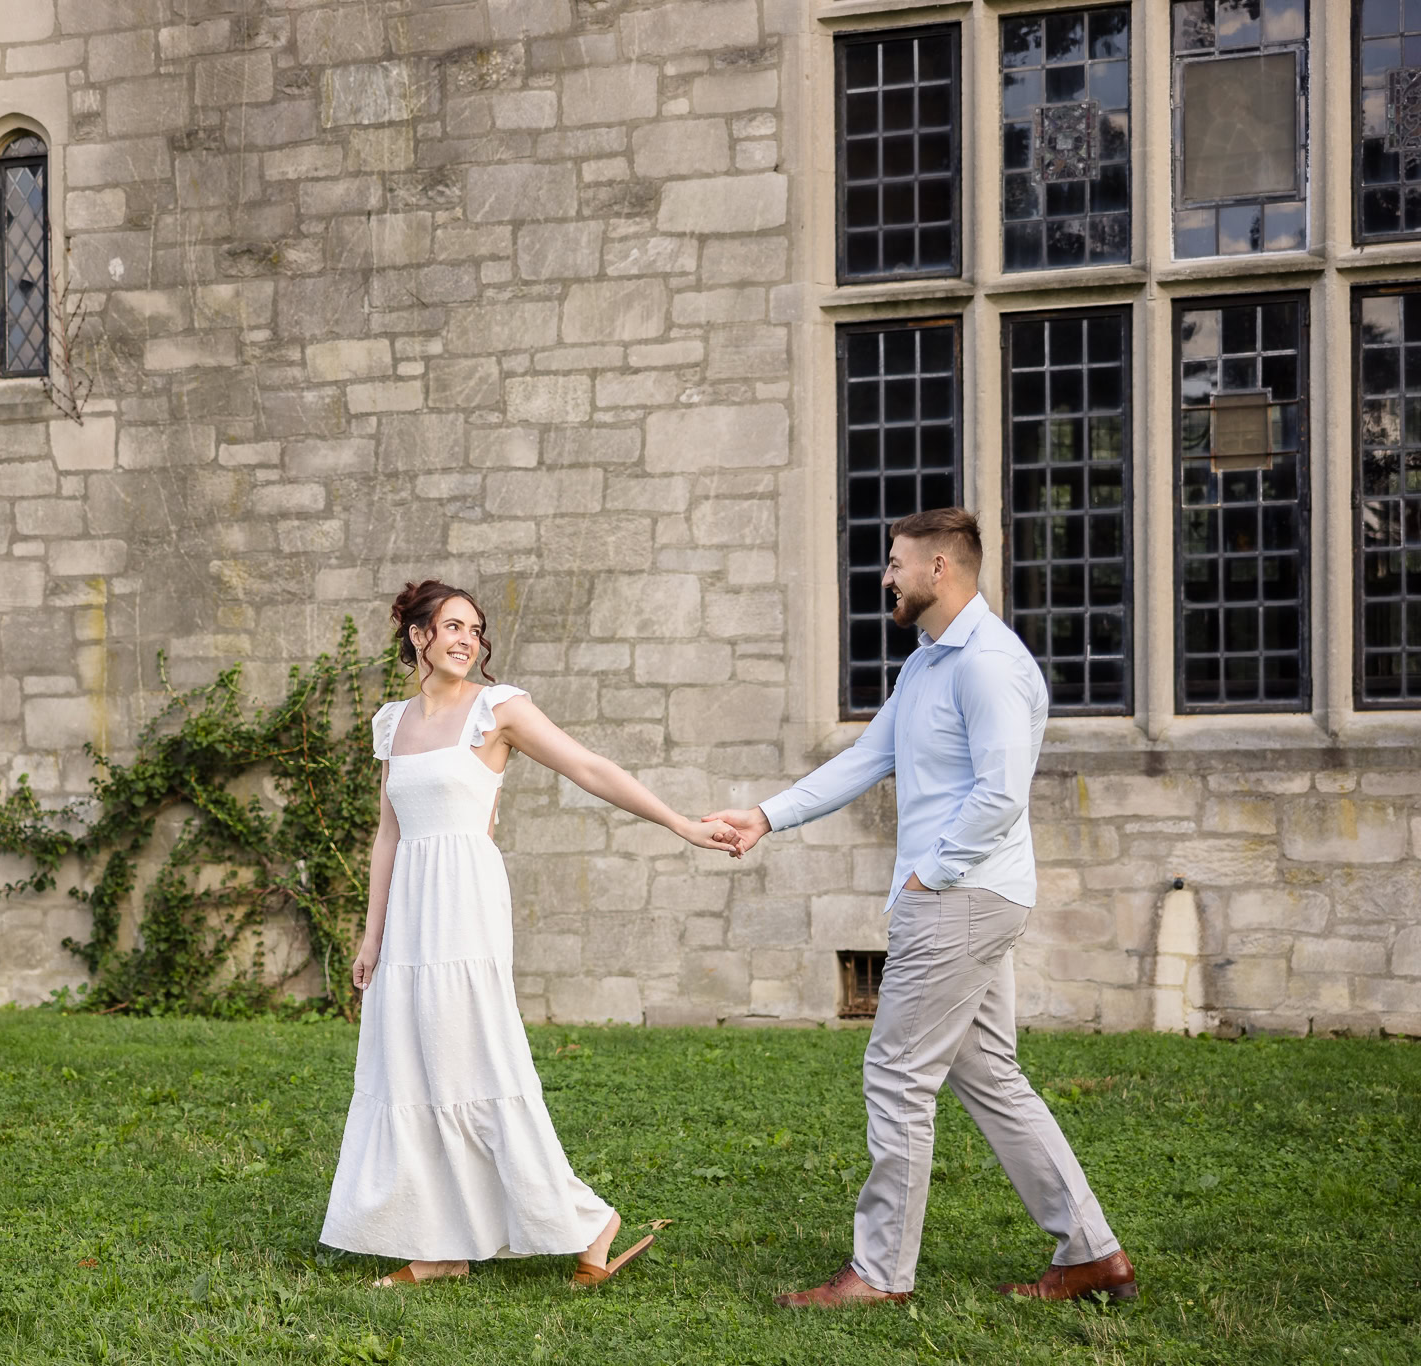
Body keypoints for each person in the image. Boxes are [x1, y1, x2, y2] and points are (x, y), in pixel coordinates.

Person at [706, 508, 1136, 1308]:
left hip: (960, 898)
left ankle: (878, 1276)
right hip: (962, 898)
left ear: (942, 568)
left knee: (898, 1072)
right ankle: (1091, 1254)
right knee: (990, 1075)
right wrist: (766, 815)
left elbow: (1002, 794)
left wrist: (928, 877)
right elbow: (870, 758)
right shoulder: (927, 664)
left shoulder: (990, 665)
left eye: (898, 563)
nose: (887, 577)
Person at [321, 579, 741, 1288]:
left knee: (473, 1063)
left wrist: (680, 823)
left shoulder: (499, 709)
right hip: (410, 915)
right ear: (418, 635)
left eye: (476, 630)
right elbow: (388, 834)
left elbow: (588, 767)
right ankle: (442, 1244)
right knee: (414, 1066)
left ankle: (588, 1218)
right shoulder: (392, 723)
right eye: (452, 627)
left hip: (465, 904)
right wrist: (372, 936)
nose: (467, 640)